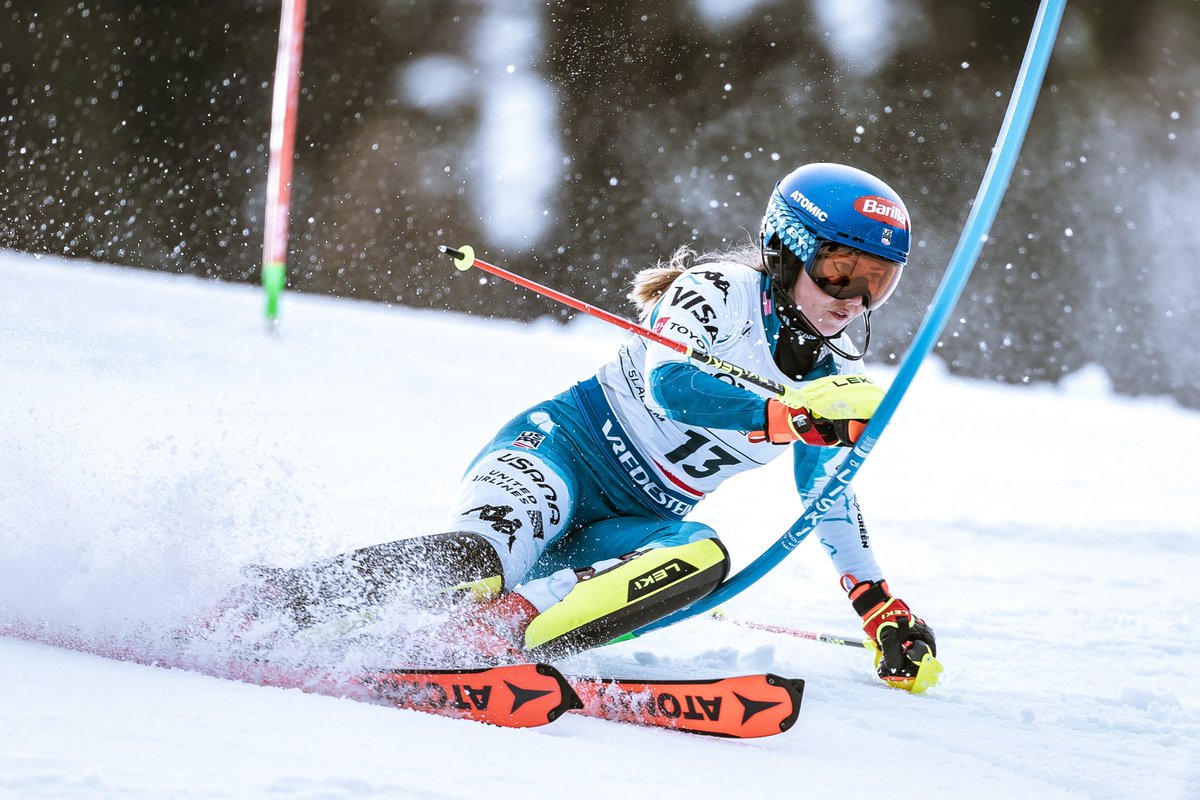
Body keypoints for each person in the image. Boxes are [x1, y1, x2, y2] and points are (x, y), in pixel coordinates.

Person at [237, 162, 938, 690]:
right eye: (841, 271)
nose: (854, 299)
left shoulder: (829, 377)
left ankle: (502, 641)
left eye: (878, 282)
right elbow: (673, 388)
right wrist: (782, 418)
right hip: (560, 456)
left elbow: (829, 494)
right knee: (475, 566)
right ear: (787, 249)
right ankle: (270, 603)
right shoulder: (718, 292)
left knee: (702, 560)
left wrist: (877, 606)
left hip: (635, 523)